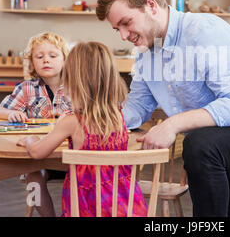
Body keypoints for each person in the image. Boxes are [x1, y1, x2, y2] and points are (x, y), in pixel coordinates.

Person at [95, 0, 230, 217]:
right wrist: (93, 121)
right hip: (220, 145)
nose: (124, 35)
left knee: (198, 145)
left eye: (127, 22)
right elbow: (136, 109)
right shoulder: (147, 55)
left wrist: (172, 125)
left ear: (151, 6)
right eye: (117, 30)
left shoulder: (204, 31)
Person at [17, 41, 147, 217]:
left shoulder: (71, 121)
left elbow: (37, 153)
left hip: (86, 209)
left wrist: (30, 139)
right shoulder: (118, 115)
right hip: (127, 206)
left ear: (72, 80)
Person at [0, 31, 72, 217]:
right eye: (40, 56)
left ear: (65, 60)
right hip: (41, 155)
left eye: (53, 56)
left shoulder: (77, 86)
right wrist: (12, 113)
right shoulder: (26, 88)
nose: (46, 60)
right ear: (32, 63)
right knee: (32, 178)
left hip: (71, 154)